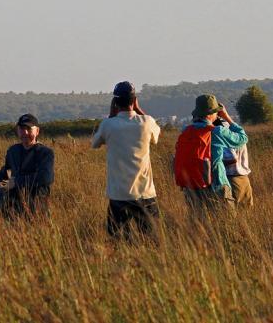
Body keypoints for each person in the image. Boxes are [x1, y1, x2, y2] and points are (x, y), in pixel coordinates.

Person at [91, 81, 161, 239]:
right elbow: (156, 136)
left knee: (118, 241)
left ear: (115, 102)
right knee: (152, 241)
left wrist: (110, 115)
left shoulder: (108, 125)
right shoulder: (146, 122)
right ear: (134, 100)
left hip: (119, 195)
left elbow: (94, 144)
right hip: (145, 193)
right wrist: (139, 110)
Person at [175, 94, 248, 213]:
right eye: (216, 112)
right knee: (227, 224)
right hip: (217, 185)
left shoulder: (186, 131)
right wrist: (227, 117)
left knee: (199, 225)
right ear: (210, 114)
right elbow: (242, 138)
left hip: (192, 186)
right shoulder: (217, 131)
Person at [0, 113, 55, 218]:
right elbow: (5, 171)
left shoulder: (45, 153)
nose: (25, 133)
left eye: (29, 129)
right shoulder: (13, 151)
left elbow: (46, 178)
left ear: (37, 131)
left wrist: (17, 182)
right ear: (18, 131)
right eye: (22, 129)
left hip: (36, 206)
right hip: (12, 206)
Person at [218, 120, 254, 207]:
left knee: (233, 214)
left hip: (232, 179)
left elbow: (231, 158)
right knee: (246, 212)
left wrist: (214, 163)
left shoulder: (222, 135)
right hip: (244, 179)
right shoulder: (237, 132)